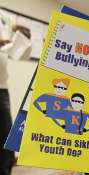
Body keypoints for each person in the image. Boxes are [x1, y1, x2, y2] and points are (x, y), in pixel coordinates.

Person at [0, 24, 31, 175]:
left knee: (5, 140)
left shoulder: (4, 22)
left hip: (1, 89)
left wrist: (24, 38)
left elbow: (21, 54)